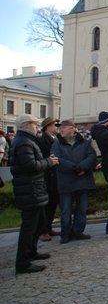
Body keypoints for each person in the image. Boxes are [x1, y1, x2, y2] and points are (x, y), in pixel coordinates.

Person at [10, 114, 59, 274]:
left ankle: (32, 252)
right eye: (34, 124)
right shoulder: (23, 142)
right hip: (29, 189)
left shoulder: (27, 140)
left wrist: (45, 161)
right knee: (29, 227)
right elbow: (30, 165)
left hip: (34, 188)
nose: (36, 126)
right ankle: (23, 262)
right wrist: (48, 162)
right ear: (25, 125)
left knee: (39, 223)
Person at [51, 120, 97, 244]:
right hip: (66, 181)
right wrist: (76, 169)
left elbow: (92, 157)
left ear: (73, 128)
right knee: (66, 210)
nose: (61, 130)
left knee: (81, 209)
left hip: (83, 180)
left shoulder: (85, 142)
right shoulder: (56, 144)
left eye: (64, 127)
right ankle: (65, 233)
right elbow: (57, 160)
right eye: (60, 128)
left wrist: (82, 167)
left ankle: (78, 231)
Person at [37, 117, 61, 242]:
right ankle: (43, 231)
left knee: (53, 203)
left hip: (55, 175)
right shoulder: (42, 140)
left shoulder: (56, 139)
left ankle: (48, 227)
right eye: (55, 125)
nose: (58, 127)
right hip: (47, 176)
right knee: (46, 205)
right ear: (48, 127)